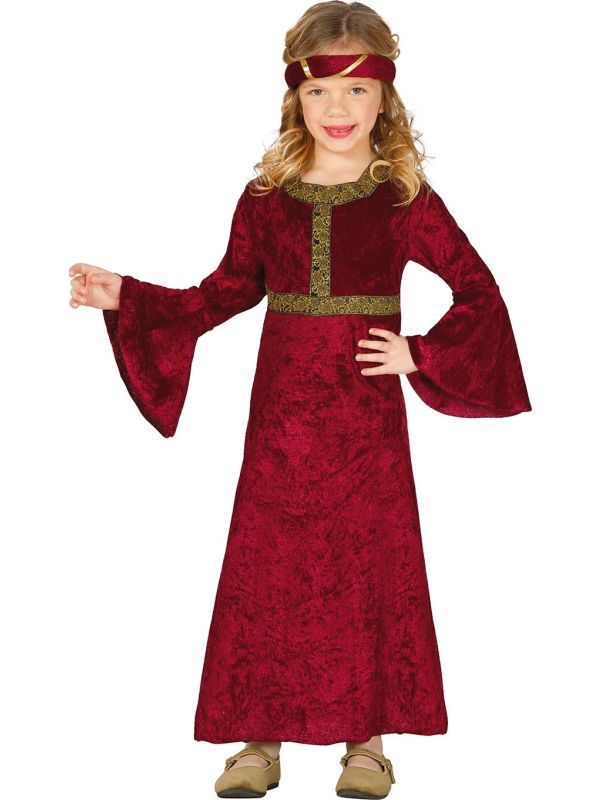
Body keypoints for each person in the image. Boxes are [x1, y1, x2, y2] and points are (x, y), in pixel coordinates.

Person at [67, 3, 532, 798]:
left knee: (367, 563)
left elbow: (480, 291)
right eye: (320, 91)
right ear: (296, 97)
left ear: (384, 97)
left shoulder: (404, 197)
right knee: (269, 566)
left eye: (356, 90)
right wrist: (129, 297)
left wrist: (419, 351)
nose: (337, 109)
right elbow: (224, 291)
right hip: (280, 420)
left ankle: (367, 743)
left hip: (365, 423)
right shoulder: (266, 197)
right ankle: (259, 741)